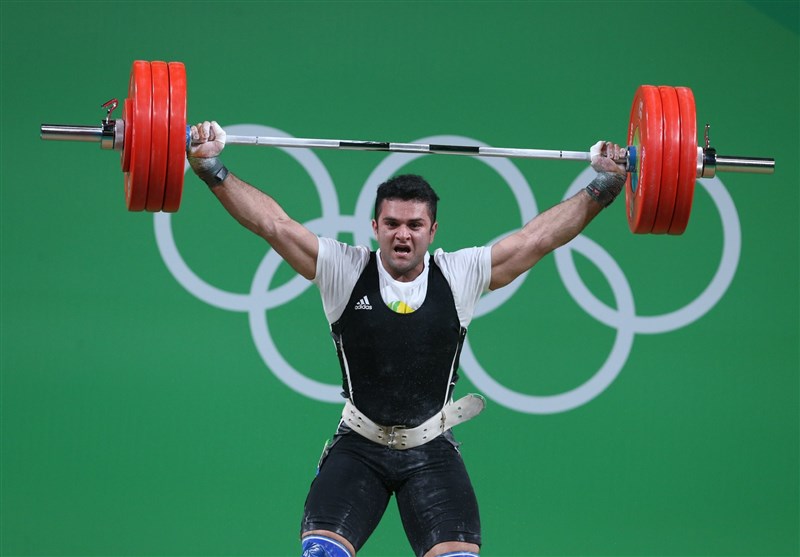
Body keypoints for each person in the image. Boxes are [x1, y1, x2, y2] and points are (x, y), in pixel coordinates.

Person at [186, 121, 627, 557]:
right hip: (359, 447)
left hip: (431, 450)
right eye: (392, 223)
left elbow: (538, 239)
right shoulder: (344, 268)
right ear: (375, 226)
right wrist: (212, 170)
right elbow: (274, 225)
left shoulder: (459, 273)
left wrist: (603, 188)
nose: (403, 234)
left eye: (415, 224)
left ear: (432, 231)